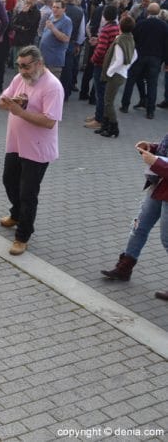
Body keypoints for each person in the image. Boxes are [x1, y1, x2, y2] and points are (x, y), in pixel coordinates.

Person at [0, 46, 64, 256]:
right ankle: (16, 214)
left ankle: (23, 236)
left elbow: (49, 121)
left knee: (28, 193)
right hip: (16, 143)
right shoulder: (20, 79)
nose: (22, 70)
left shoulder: (53, 87)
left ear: (39, 64)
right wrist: (6, 102)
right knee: (9, 180)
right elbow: (3, 100)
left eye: (26, 66)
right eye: (19, 65)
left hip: (37, 149)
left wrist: (19, 111)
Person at [101, 133, 168, 300]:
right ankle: (125, 267)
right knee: (139, 227)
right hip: (160, 184)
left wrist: (156, 163)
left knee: (167, 239)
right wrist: (152, 148)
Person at [97, 15, 136, 138]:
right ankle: (105, 126)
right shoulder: (130, 38)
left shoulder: (120, 41)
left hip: (116, 75)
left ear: (120, 26)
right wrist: (127, 66)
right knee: (108, 100)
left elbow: (118, 60)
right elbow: (135, 55)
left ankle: (113, 127)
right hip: (122, 73)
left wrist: (109, 71)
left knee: (108, 102)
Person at [38, 0, 72, 79]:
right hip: (43, 58)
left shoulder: (66, 21)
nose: (55, 9)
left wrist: (53, 28)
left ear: (64, 9)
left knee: (51, 86)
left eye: (57, 7)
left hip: (54, 61)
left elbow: (66, 39)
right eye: (53, 7)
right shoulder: (52, 16)